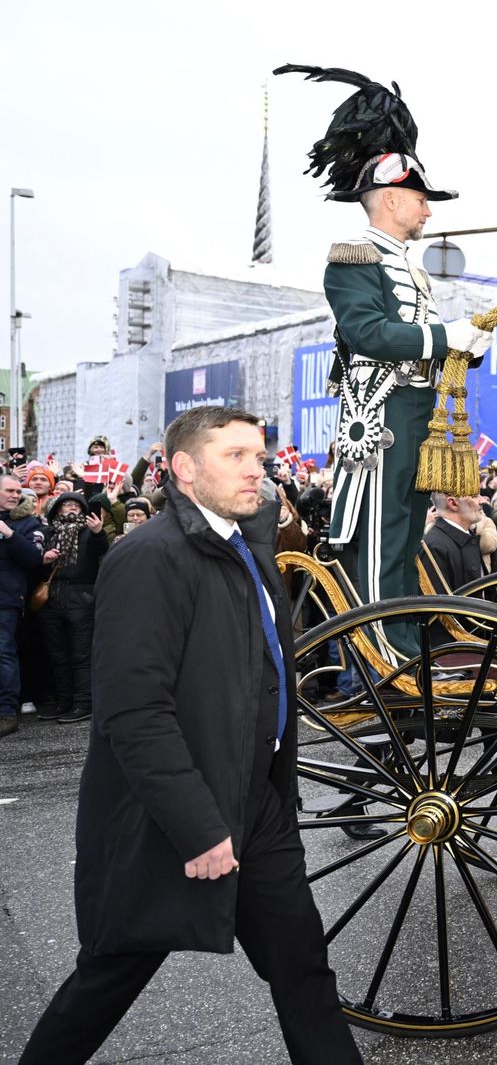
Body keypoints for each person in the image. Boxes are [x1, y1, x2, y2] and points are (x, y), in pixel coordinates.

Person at [19, 405, 362, 1065]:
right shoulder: (148, 558)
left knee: (303, 971)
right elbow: (135, 711)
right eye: (234, 456)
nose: (255, 470)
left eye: (258, 457)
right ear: (183, 468)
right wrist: (200, 826)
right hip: (174, 813)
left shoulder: (245, 543)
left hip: (255, 802)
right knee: (111, 975)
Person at [277, 64, 491, 652]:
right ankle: (384, 649)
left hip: (414, 406)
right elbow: (368, 333)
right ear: (392, 197)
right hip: (381, 415)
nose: (428, 212)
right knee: (381, 532)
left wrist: (466, 345)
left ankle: (404, 641)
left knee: (403, 533)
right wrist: (446, 337)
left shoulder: (405, 262)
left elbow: (416, 338)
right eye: (422, 200)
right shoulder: (354, 257)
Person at [37, 492, 107, 725]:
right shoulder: (49, 533)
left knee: (80, 653)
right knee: (57, 654)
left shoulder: (89, 531)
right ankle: (64, 701)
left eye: (76, 505)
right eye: (66, 504)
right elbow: (35, 563)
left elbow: (100, 549)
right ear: (57, 510)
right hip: (53, 595)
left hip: (80, 596)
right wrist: (44, 559)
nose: (71, 508)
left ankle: (83, 703)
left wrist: (98, 533)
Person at [0, 474, 45, 738]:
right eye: (10, 491)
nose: (16, 495)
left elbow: (33, 559)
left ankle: (6, 712)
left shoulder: (29, 523)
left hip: (6, 600)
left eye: (19, 491)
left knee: (3, 654)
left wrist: (8, 534)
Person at [419, 492, 486, 591]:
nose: (482, 500)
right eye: (475, 496)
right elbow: (440, 603)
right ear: (453, 503)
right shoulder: (435, 546)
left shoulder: (467, 535)